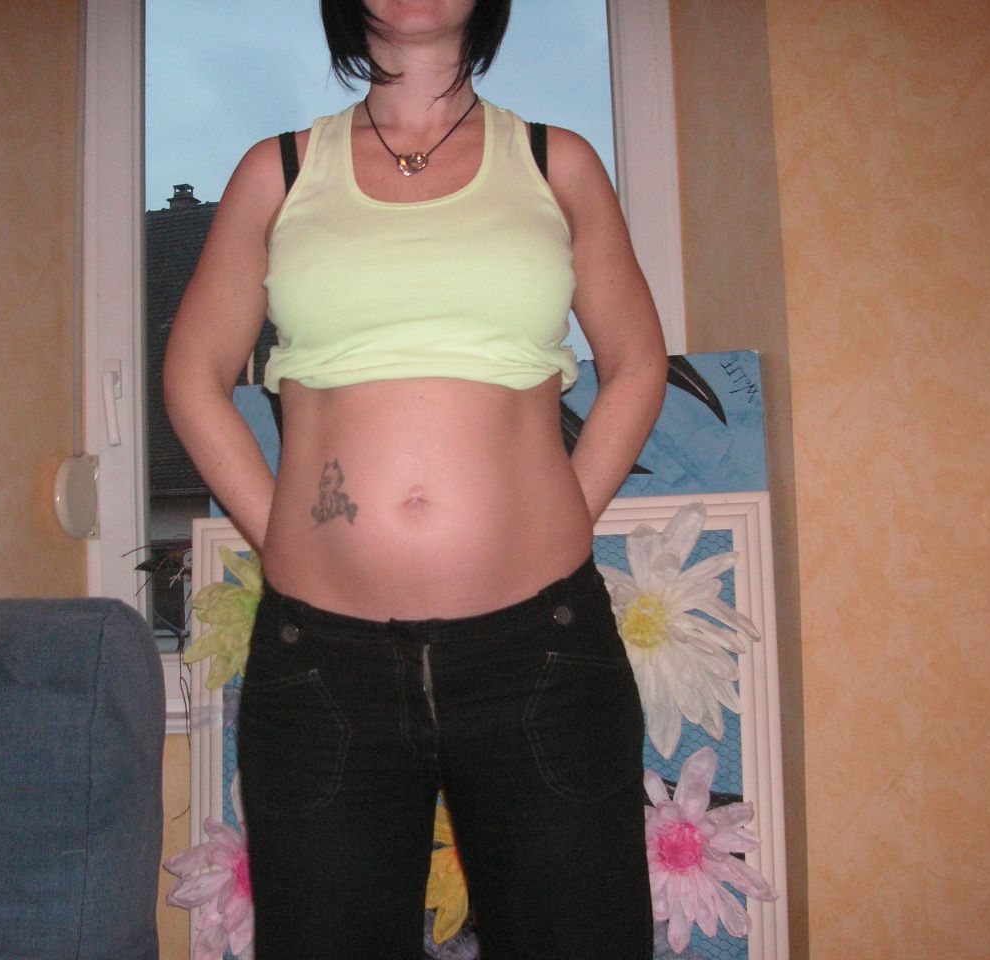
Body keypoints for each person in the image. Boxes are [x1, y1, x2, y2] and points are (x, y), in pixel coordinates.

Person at [163, 1, 668, 956]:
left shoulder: (557, 164)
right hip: (324, 665)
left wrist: (560, 512)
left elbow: (638, 363)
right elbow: (192, 377)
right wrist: (288, 536)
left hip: (542, 654)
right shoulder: (277, 173)